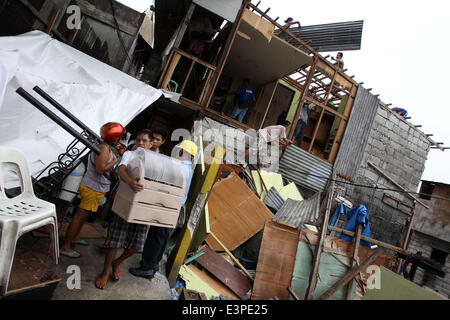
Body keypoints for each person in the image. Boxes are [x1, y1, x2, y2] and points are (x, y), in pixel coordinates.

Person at [128, 140, 197, 280]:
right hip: (172, 207)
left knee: (156, 237)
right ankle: (152, 265)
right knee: (161, 238)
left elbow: (169, 186)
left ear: (182, 152)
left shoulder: (180, 168)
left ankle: (148, 268)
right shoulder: (187, 168)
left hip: (168, 206)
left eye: (178, 150)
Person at [95, 129, 154, 289]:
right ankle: (105, 272)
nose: (140, 143)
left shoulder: (156, 160)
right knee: (115, 242)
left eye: (144, 141)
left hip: (143, 208)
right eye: (138, 140)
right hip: (125, 204)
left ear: (151, 143)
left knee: (137, 245)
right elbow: (121, 170)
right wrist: (130, 182)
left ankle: (118, 262)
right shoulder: (129, 155)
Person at [60, 122, 124, 258]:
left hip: (94, 187)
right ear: (115, 138)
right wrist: (114, 161)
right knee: (79, 217)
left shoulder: (104, 147)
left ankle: (74, 238)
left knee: (83, 216)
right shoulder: (104, 149)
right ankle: (65, 247)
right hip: (93, 187)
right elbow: (100, 169)